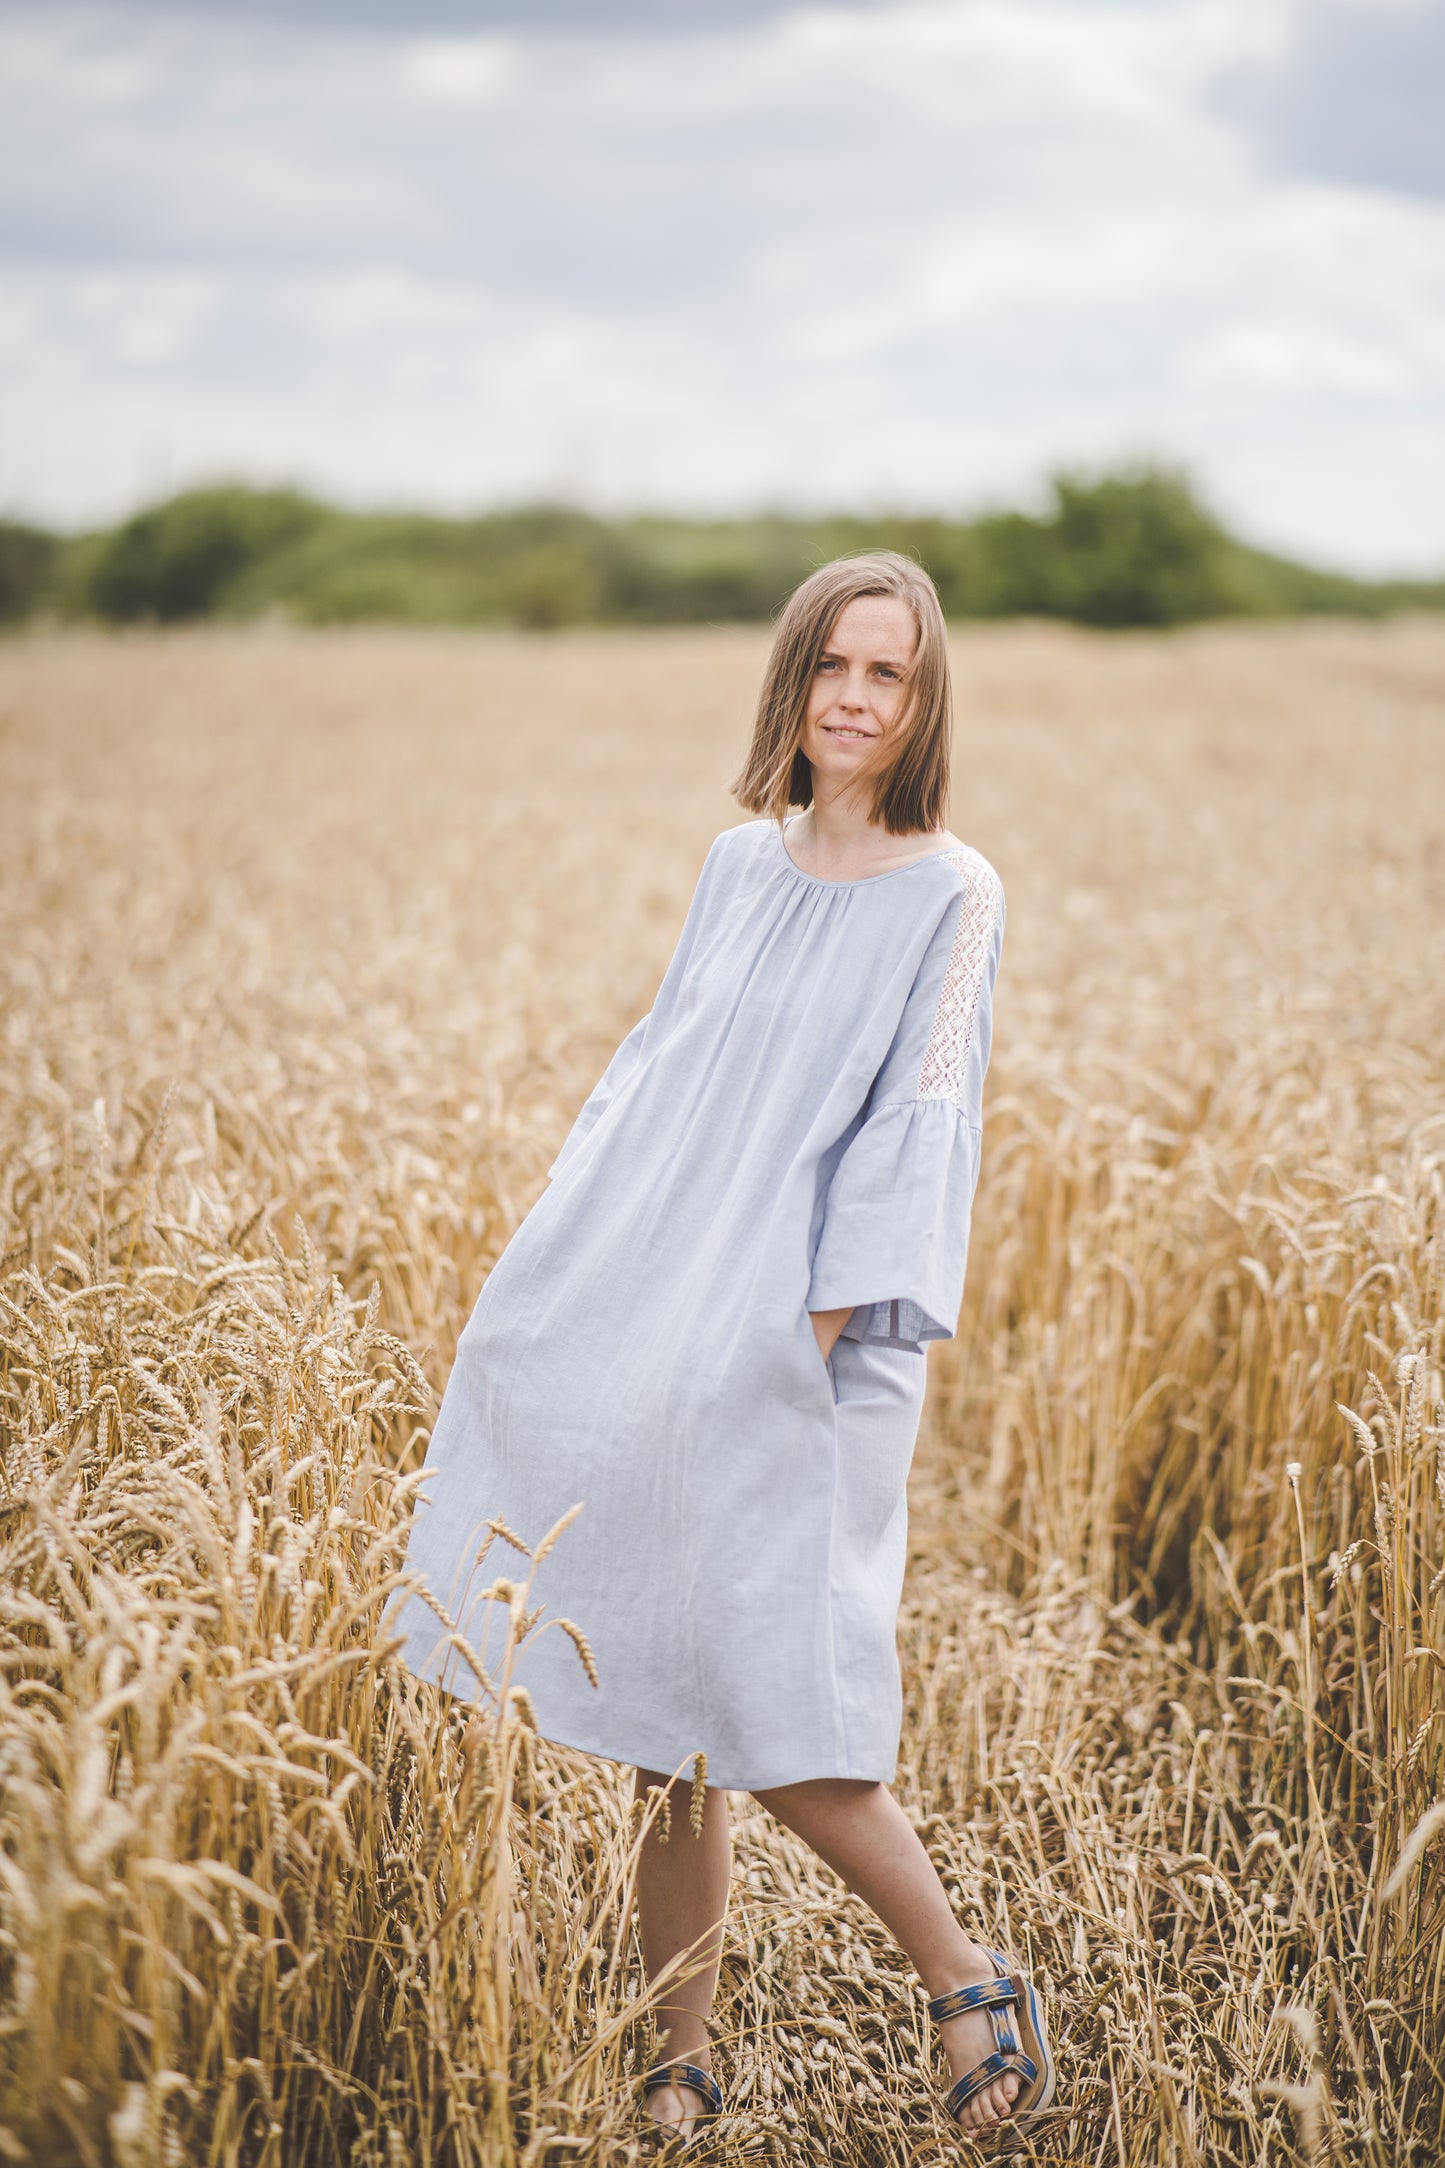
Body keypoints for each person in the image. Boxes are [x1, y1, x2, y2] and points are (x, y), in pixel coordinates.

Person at [391, 552, 1054, 2146]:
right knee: (667, 1717)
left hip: (806, 1343)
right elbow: (652, 1092)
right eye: (831, 664)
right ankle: (675, 2056)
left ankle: (966, 1981)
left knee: (772, 1700)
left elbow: (919, 1132)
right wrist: (568, 1275)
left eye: (886, 673)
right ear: (792, 681)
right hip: (663, 1302)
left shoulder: (952, 894)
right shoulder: (735, 866)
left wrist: (793, 1330)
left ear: (923, 697)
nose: (853, 696)